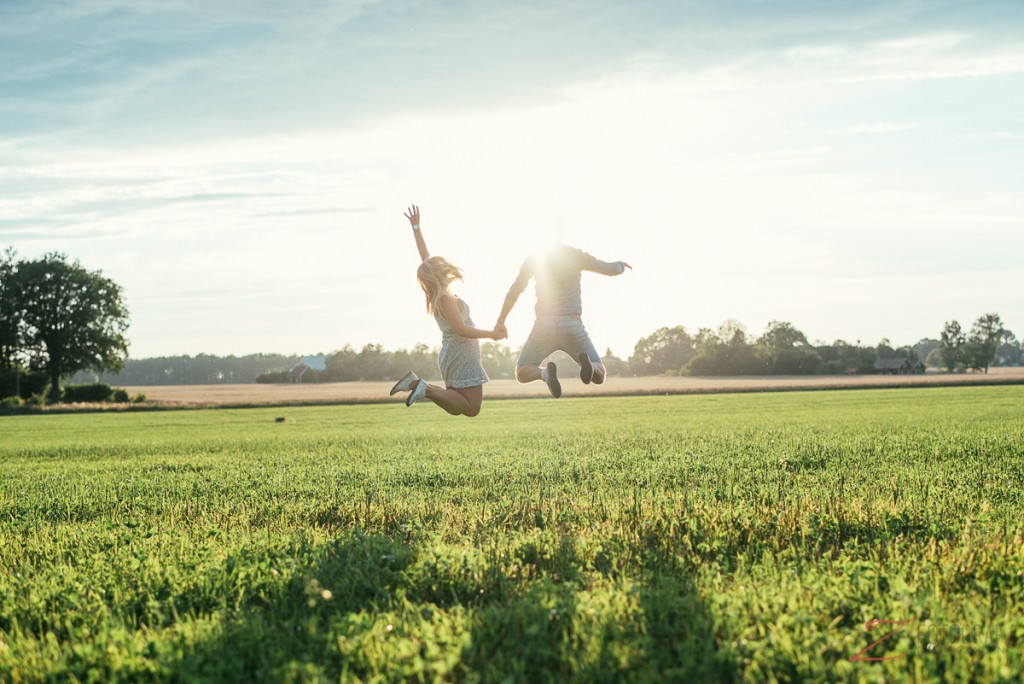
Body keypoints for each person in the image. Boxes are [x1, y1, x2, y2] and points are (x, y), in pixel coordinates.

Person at [389, 205, 505, 416]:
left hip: (454, 353)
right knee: (471, 408)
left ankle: (418, 385)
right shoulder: (445, 298)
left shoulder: (439, 295)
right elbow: (461, 330)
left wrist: (416, 227)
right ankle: (424, 388)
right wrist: (491, 335)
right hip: (461, 353)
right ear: (439, 273)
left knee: (460, 405)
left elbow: (425, 258)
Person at [494, 231, 631, 398]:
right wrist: (619, 266)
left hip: (544, 325)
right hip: (572, 324)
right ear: (560, 234)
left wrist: (501, 321)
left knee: (522, 372)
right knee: (600, 374)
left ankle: (544, 374)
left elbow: (515, 291)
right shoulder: (576, 255)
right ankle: (589, 366)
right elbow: (608, 269)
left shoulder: (535, 258)